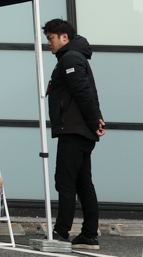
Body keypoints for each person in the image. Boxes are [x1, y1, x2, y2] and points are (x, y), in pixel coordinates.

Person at [44, 18, 105, 250]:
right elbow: (89, 92)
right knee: (83, 182)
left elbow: (83, 92)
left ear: (64, 37)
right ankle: (88, 235)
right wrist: (96, 120)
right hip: (79, 129)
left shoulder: (70, 58)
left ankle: (61, 233)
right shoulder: (74, 57)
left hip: (74, 130)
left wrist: (94, 121)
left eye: (51, 38)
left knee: (65, 181)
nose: (48, 43)